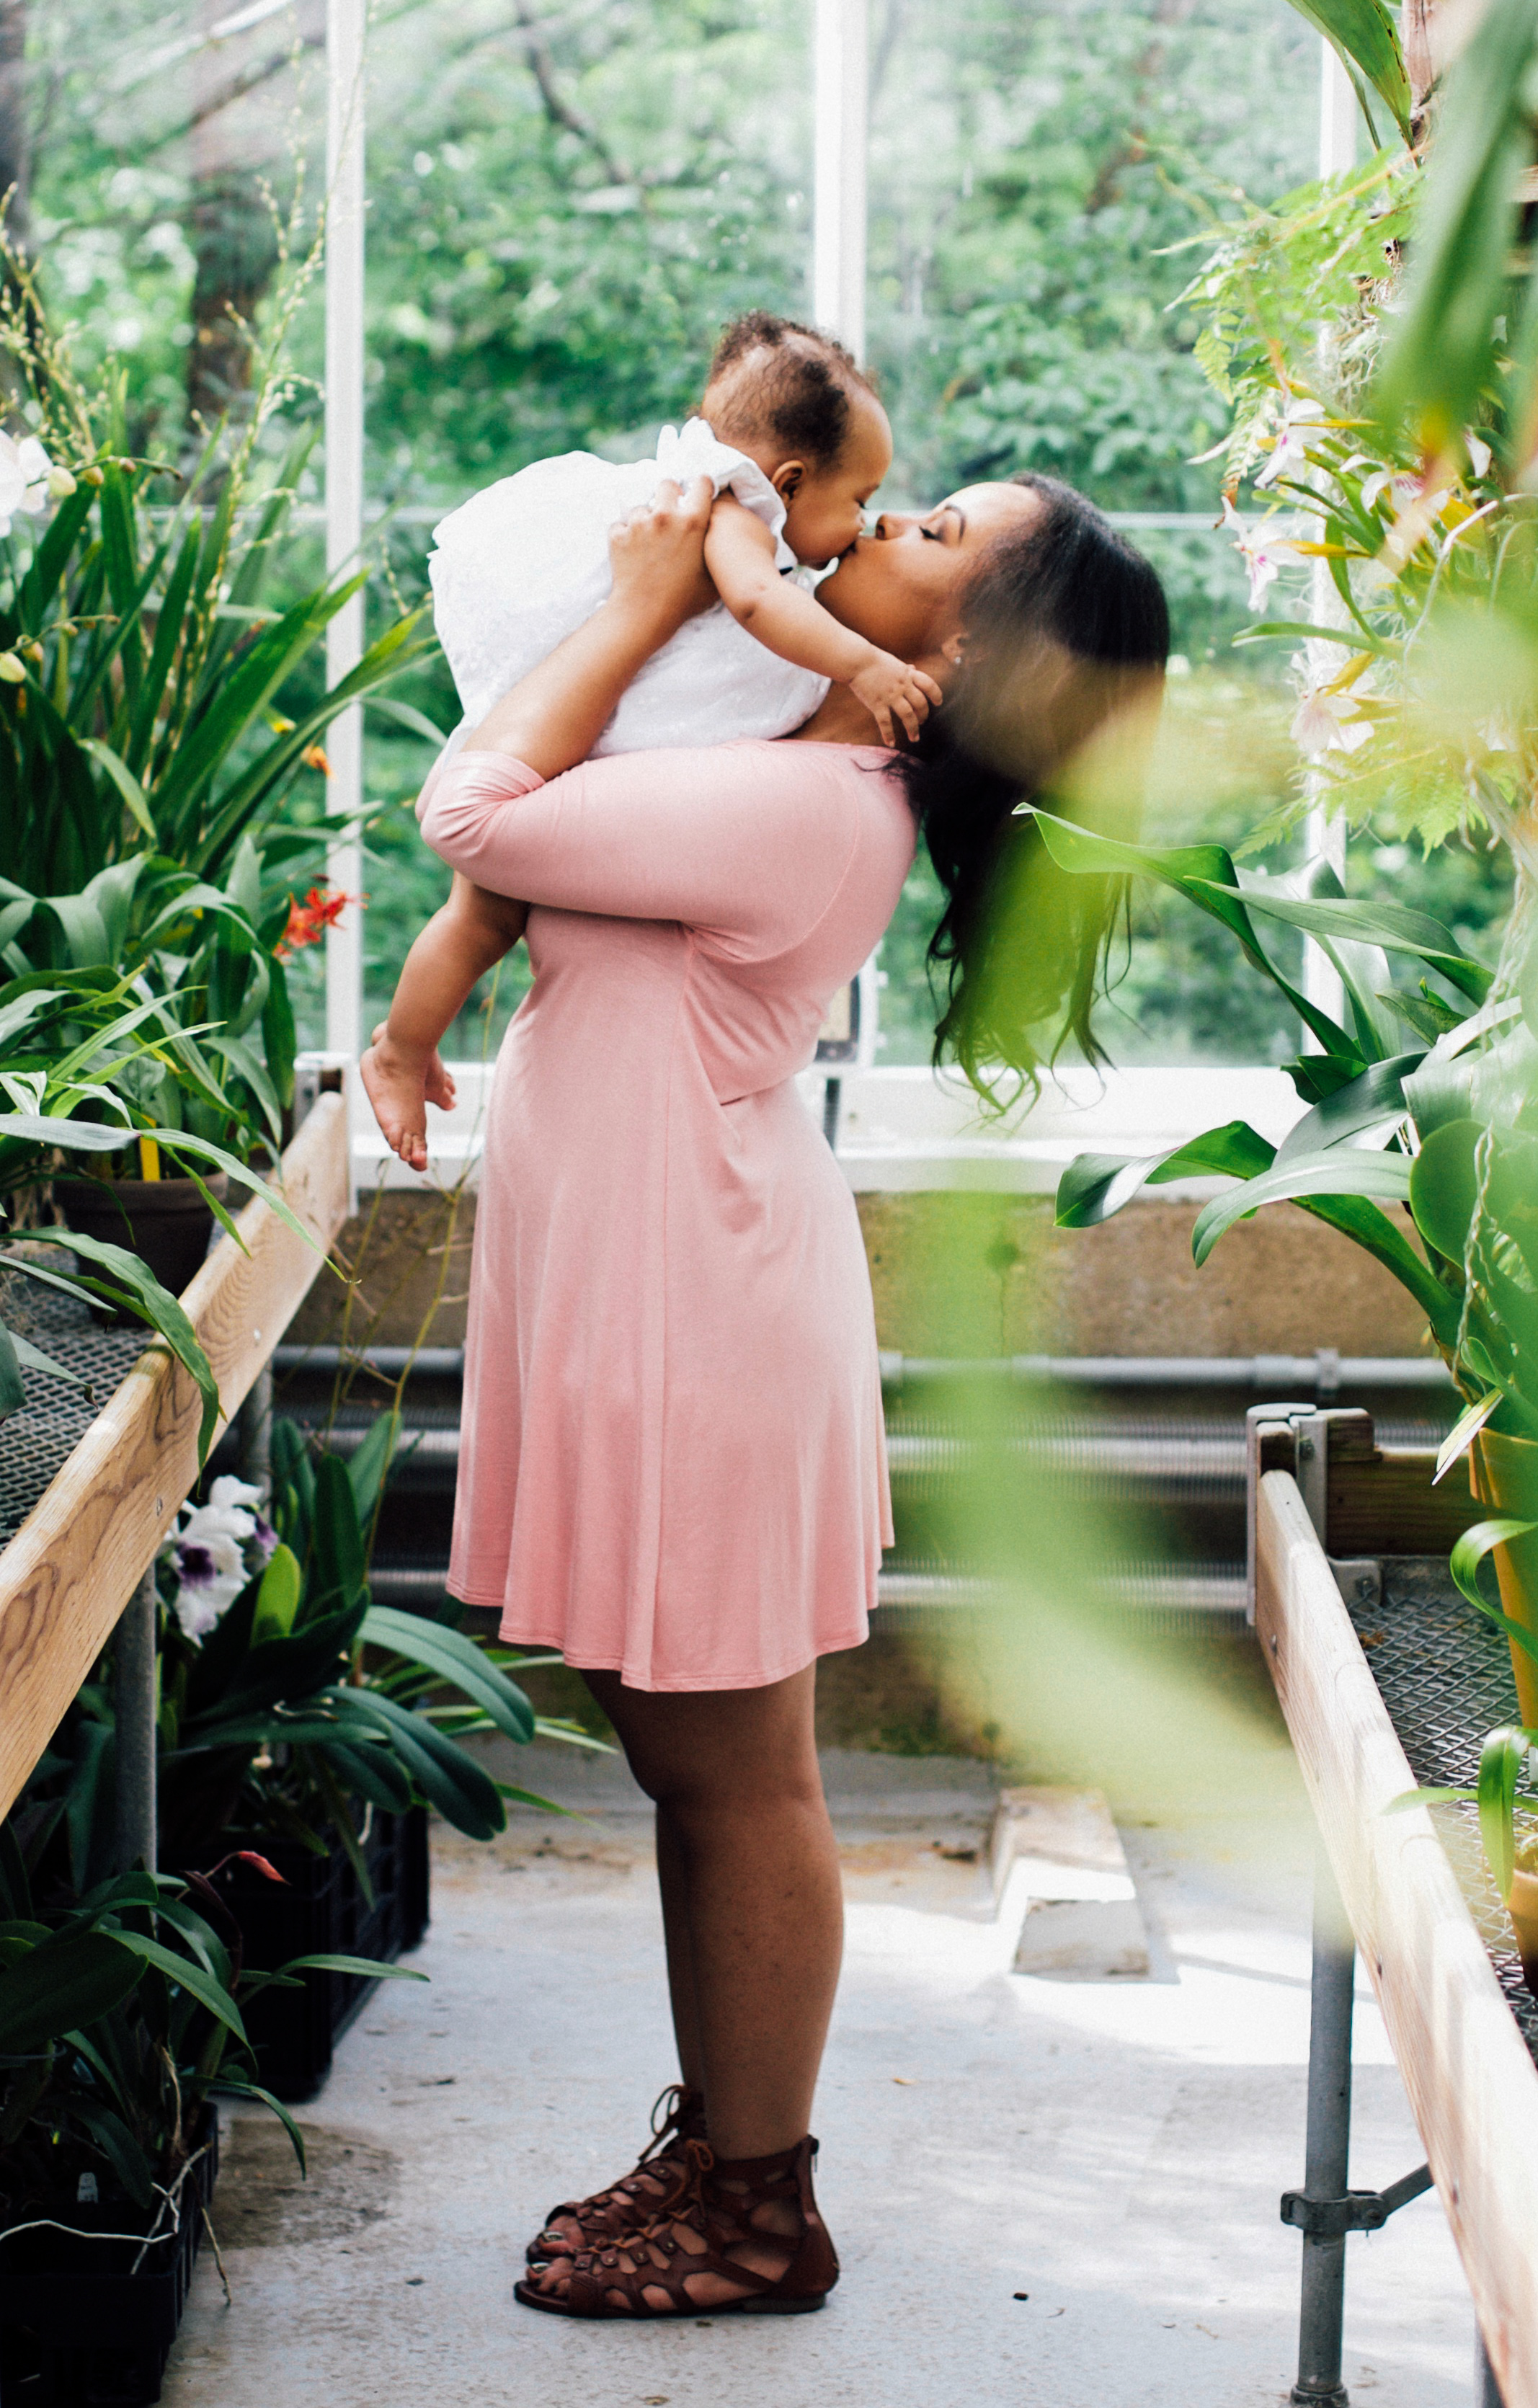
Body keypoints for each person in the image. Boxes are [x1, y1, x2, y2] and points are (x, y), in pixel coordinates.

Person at [413, 468, 1168, 2319]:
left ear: (965, 647)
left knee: (736, 1780)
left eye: (927, 536)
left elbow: (472, 812)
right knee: (691, 1768)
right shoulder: (775, 755)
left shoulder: (801, 808)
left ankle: (759, 2203)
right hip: (663, 1296)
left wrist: (642, 591)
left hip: (700, 1322)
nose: (875, 522)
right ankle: (722, 2148)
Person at [363, 314, 941, 1170]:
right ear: (787, 478)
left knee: (479, 917)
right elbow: (752, 602)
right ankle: (399, 1051)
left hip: (575, 730)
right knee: (479, 917)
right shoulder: (734, 505)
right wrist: (864, 665)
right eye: (857, 499)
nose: (866, 523)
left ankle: (403, 1046)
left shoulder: (751, 514)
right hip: (577, 730)